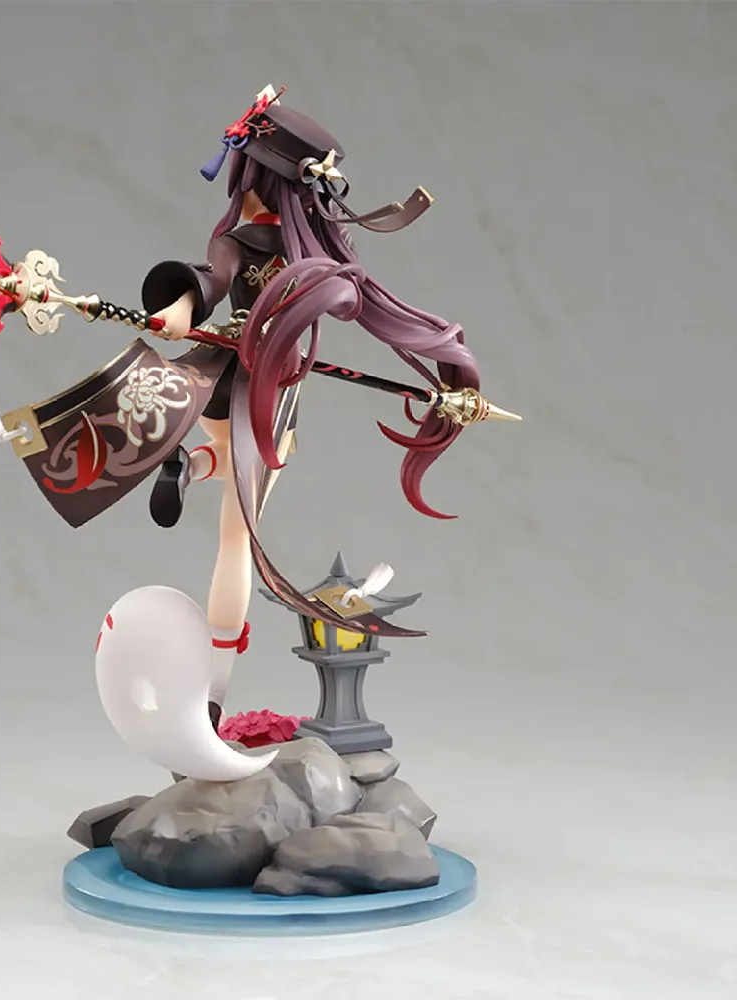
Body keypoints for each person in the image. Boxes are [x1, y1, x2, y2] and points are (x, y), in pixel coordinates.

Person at [138, 86, 481, 728]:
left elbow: (213, 278)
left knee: (225, 467)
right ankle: (213, 695)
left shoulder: (245, 241)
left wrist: (181, 312)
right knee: (237, 538)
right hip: (268, 392)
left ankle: (191, 465)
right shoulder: (315, 251)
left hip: (220, 383)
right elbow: (217, 283)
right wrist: (182, 308)